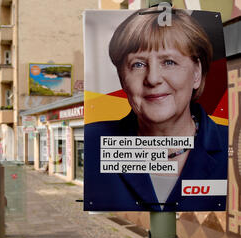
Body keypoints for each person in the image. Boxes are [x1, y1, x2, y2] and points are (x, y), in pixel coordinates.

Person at [84, 7, 228, 212]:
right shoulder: (92, 142)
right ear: (122, 79)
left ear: (197, 73)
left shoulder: (232, 147)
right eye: (138, 65)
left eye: (169, 62)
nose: (152, 78)